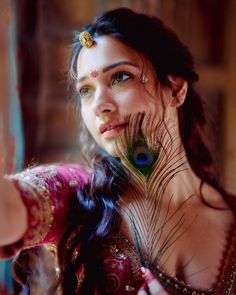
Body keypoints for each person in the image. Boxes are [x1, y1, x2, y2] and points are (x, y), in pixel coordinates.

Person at [0, 7, 235, 295]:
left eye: (120, 77)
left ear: (175, 89)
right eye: (85, 90)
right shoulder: (79, 198)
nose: (99, 105)